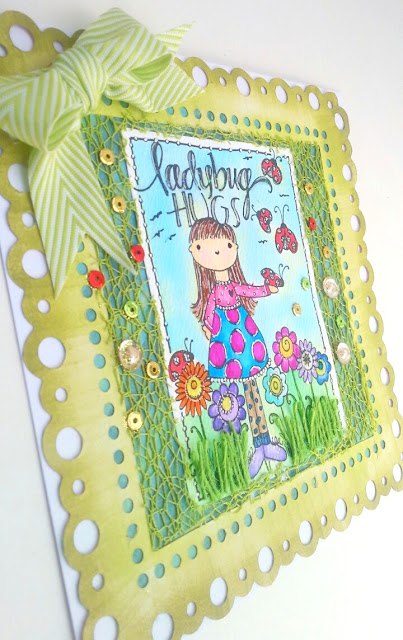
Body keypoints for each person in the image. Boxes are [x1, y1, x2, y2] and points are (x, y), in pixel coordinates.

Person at [189, 217, 287, 478]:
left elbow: (249, 291)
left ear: (234, 248)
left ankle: (265, 442)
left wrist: (267, 289)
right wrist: (208, 327)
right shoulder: (213, 292)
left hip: (244, 336)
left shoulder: (233, 286)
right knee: (246, 391)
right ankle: (258, 446)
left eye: (227, 246)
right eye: (205, 248)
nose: (220, 253)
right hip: (228, 342)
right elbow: (209, 312)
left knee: (253, 389)